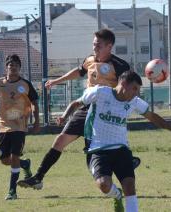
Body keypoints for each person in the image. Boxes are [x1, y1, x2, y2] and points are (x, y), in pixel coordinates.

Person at [17, 28, 140, 189]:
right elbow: (79, 71)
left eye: (98, 45)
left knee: (107, 145)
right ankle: (38, 177)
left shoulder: (120, 65)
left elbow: (127, 89)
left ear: (109, 46)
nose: (95, 48)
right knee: (60, 140)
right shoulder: (90, 59)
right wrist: (56, 81)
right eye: (94, 44)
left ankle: (123, 163)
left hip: (104, 113)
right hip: (85, 109)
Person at [56, 71, 171, 212]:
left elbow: (153, 117)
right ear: (123, 83)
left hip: (121, 149)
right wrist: (64, 116)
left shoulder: (134, 102)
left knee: (130, 186)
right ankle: (117, 195)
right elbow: (76, 103)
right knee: (103, 185)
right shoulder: (100, 92)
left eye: (138, 90)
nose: (136, 93)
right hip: (98, 149)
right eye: (134, 88)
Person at [0, 54, 40, 200]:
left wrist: (36, 122)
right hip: (3, 126)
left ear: (19, 68)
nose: (13, 68)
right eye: (11, 65)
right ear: (6, 68)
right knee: (4, 159)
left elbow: (34, 104)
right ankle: (25, 164)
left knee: (15, 156)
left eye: (16, 66)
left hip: (20, 126)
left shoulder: (25, 84)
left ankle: (12, 191)